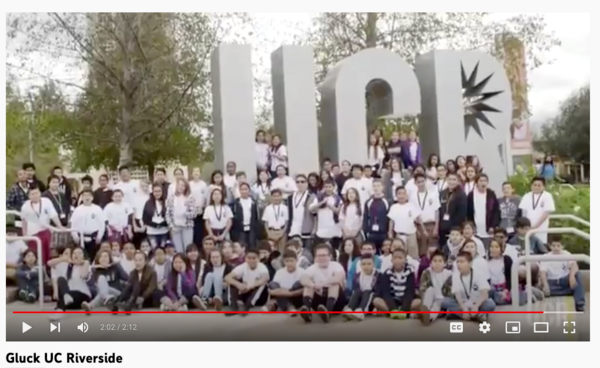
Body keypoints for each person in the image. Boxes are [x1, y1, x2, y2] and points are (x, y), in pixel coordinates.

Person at [442, 251, 495, 322]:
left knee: (490, 304)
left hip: (476, 303)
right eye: (457, 262)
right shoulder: (455, 275)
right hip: (463, 303)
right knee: (444, 301)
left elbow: (484, 294)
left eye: (462, 262)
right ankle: (477, 316)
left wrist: (476, 306)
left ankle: (458, 314)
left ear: (470, 263)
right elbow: (457, 295)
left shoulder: (478, 274)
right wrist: (464, 308)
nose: (458, 264)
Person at [299, 244, 346, 323]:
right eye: (319, 256)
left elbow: (338, 278)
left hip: (337, 302)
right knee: (308, 286)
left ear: (330, 256)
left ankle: (328, 313)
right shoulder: (312, 268)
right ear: (315, 257)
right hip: (319, 300)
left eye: (324, 255)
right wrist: (313, 285)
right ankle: (307, 312)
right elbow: (303, 279)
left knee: (334, 284)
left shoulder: (336, 266)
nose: (321, 258)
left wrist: (322, 284)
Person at [538, 235, 585, 312]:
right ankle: (546, 293)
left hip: (564, 282)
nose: (556, 248)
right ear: (550, 246)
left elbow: (574, 266)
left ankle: (580, 304)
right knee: (540, 285)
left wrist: (571, 276)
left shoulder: (566, 254)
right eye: (553, 245)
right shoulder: (546, 256)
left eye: (558, 246)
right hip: (552, 283)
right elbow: (543, 272)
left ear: (562, 246)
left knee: (577, 274)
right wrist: (545, 284)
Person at [21, 185, 64, 265]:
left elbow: (53, 215)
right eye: (32, 194)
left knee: (46, 253)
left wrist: (60, 226)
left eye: (36, 193)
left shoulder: (46, 201)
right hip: (32, 234)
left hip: (44, 231)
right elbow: (24, 221)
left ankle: (46, 271)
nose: (35, 196)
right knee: (35, 254)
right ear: (29, 196)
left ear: (40, 193)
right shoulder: (25, 206)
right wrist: (24, 234)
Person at [372, 248, 418, 319]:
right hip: (392, 300)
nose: (397, 260)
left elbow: (410, 292)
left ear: (405, 260)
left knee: (418, 302)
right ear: (391, 260)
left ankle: (402, 312)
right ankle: (393, 312)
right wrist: (393, 309)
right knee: (376, 300)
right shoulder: (387, 273)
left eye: (400, 258)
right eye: (395, 258)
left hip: (405, 300)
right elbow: (386, 293)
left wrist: (404, 310)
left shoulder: (410, 273)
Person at [49, 247, 92, 321]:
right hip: (70, 299)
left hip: (82, 297)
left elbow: (83, 275)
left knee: (67, 296)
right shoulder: (67, 266)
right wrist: (63, 259)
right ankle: (64, 300)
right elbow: (50, 263)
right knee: (60, 279)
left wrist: (86, 262)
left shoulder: (86, 265)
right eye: (74, 253)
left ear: (83, 256)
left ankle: (60, 309)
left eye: (79, 253)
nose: (76, 255)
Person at [225, 249, 271, 315]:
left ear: (258, 259)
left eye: (254, 258)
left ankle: (247, 306)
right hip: (246, 293)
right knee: (233, 281)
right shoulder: (242, 266)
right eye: (249, 258)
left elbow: (265, 278)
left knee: (262, 284)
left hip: (260, 298)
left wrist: (250, 286)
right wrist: (239, 285)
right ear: (246, 259)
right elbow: (227, 277)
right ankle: (234, 307)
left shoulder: (262, 267)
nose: (251, 260)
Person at [387, 186, 424, 259]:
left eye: (403, 193)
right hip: (399, 235)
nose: (401, 196)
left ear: (406, 195)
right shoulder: (394, 207)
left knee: (413, 256)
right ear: (396, 195)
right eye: (399, 194)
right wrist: (390, 232)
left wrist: (423, 230)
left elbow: (418, 219)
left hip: (411, 235)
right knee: (400, 255)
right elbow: (391, 221)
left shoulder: (411, 206)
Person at [466, 173, 500, 250]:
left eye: (485, 181)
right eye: (481, 181)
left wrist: (493, 226)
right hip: (476, 230)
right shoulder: (471, 195)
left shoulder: (491, 194)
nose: (483, 183)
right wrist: (471, 226)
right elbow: (468, 212)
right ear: (477, 182)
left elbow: (496, 211)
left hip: (488, 230)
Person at [418, 250, 452, 325]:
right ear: (431, 263)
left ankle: (429, 317)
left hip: (443, 299)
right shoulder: (426, 272)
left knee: (438, 302)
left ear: (445, 263)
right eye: (435, 261)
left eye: (440, 261)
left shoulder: (449, 274)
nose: (437, 263)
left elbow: (450, 291)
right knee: (430, 289)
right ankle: (425, 310)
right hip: (429, 298)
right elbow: (422, 289)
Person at [70, 189, 106, 260]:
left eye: (89, 195)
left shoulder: (97, 209)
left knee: (93, 257)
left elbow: (102, 224)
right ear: (82, 198)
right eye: (85, 196)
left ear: (92, 197)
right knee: (81, 257)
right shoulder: (77, 210)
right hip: (80, 237)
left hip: (93, 238)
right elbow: (73, 224)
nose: (87, 197)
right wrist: (75, 236)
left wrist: (99, 236)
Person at [519, 176, 556, 244]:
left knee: (540, 244)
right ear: (531, 186)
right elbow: (524, 213)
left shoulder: (547, 196)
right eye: (535, 185)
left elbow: (546, 212)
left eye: (539, 185)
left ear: (543, 187)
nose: (536, 187)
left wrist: (536, 226)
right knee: (528, 245)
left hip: (541, 226)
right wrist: (526, 226)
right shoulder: (526, 196)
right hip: (528, 227)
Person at [410, 173, 440, 256]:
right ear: (415, 183)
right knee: (422, 251)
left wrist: (436, 227)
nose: (421, 184)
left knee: (433, 250)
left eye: (422, 181)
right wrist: (421, 229)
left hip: (431, 224)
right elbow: (414, 215)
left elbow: (436, 211)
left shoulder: (433, 194)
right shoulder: (412, 197)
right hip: (420, 225)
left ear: (426, 181)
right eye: (418, 182)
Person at [487, 239, 523, 306]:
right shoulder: (486, 261)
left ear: (501, 249)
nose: (494, 249)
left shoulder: (506, 259)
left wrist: (506, 290)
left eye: (496, 247)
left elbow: (510, 277)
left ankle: (527, 293)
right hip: (494, 289)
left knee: (517, 299)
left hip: (506, 287)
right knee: (494, 297)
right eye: (491, 247)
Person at [343, 254, 379, 321]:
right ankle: (350, 309)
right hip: (360, 298)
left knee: (367, 291)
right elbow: (355, 289)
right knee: (357, 291)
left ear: (374, 264)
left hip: (371, 300)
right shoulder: (358, 275)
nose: (366, 266)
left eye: (369, 264)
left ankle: (361, 311)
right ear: (360, 265)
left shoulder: (378, 275)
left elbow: (378, 291)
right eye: (363, 264)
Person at [166, 178, 197, 253]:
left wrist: (184, 213)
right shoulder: (171, 198)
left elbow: (194, 214)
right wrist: (171, 226)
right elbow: (168, 214)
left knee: (187, 249)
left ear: (186, 187)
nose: (181, 187)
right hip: (175, 228)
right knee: (178, 250)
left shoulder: (190, 198)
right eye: (179, 185)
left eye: (183, 185)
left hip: (187, 227)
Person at [438, 172, 467, 248]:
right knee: (443, 247)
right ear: (447, 180)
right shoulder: (442, 193)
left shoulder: (461, 195)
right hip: (442, 226)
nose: (451, 181)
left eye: (454, 179)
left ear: (458, 181)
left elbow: (462, 214)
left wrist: (452, 226)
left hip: (454, 227)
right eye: (450, 179)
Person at [287, 174, 315, 250]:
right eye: (298, 182)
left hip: (306, 229)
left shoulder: (311, 196)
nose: (300, 184)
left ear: (307, 183)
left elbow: (315, 214)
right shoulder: (290, 197)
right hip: (293, 229)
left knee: (307, 252)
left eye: (302, 182)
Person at [309, 180, 342, 246]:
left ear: (333, 187)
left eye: (330, 186)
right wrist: (321, 203)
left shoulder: (338, 198)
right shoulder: (319, 197)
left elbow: (338, 212)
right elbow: (311, 208)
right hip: (321, 229)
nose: (328, 188)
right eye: (326, 187)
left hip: (334, 229)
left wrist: (328, 205)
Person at [44, 175, 72, 249]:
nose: (55, 184)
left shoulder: (61, 195)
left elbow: (66, 207)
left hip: (63, 224)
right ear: (49, 183)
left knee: (63, 246)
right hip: (51, 225)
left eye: (57, 182)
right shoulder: (45, 195)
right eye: (53, 182)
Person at [231, 182, 260, 249]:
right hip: (240, 229)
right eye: (242, 189)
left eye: (245, 189)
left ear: (249, 190)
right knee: (242, 247)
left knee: (252, 246)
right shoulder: (236, 203)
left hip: (251, 229)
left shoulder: (253, 202)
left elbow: (256, 217)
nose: (244, 191)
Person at [363, 179, 389, 252]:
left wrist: (388, 231)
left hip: (383, 233)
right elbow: (365, 217)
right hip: (371, 233)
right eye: (374, 186)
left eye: (378, 186)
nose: (376, 188)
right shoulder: (368, 201)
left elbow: (389, 218)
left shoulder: (387, 201)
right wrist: (366, 230)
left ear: (382, 187)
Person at [142, 183, 169, 249]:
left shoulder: (166, 201)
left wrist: (163, 224)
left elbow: (170, 215)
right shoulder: (148, 203)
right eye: (155, 191)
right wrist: (154, 225)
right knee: (154, 250)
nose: (157, 193)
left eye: (159, 191)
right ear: (153, 192)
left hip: (164, 230)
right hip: (152, 231)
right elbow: (145, 218)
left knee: (163, 250)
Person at [132, 180, 150, 247]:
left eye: (146, 186)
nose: (144, 188)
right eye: (142, 186)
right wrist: (134, 226)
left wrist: (145, 226)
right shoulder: (135, 198)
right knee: (138, 244)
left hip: (147, 223)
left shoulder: (150, 197)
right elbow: (134, 213)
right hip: (137, 222)